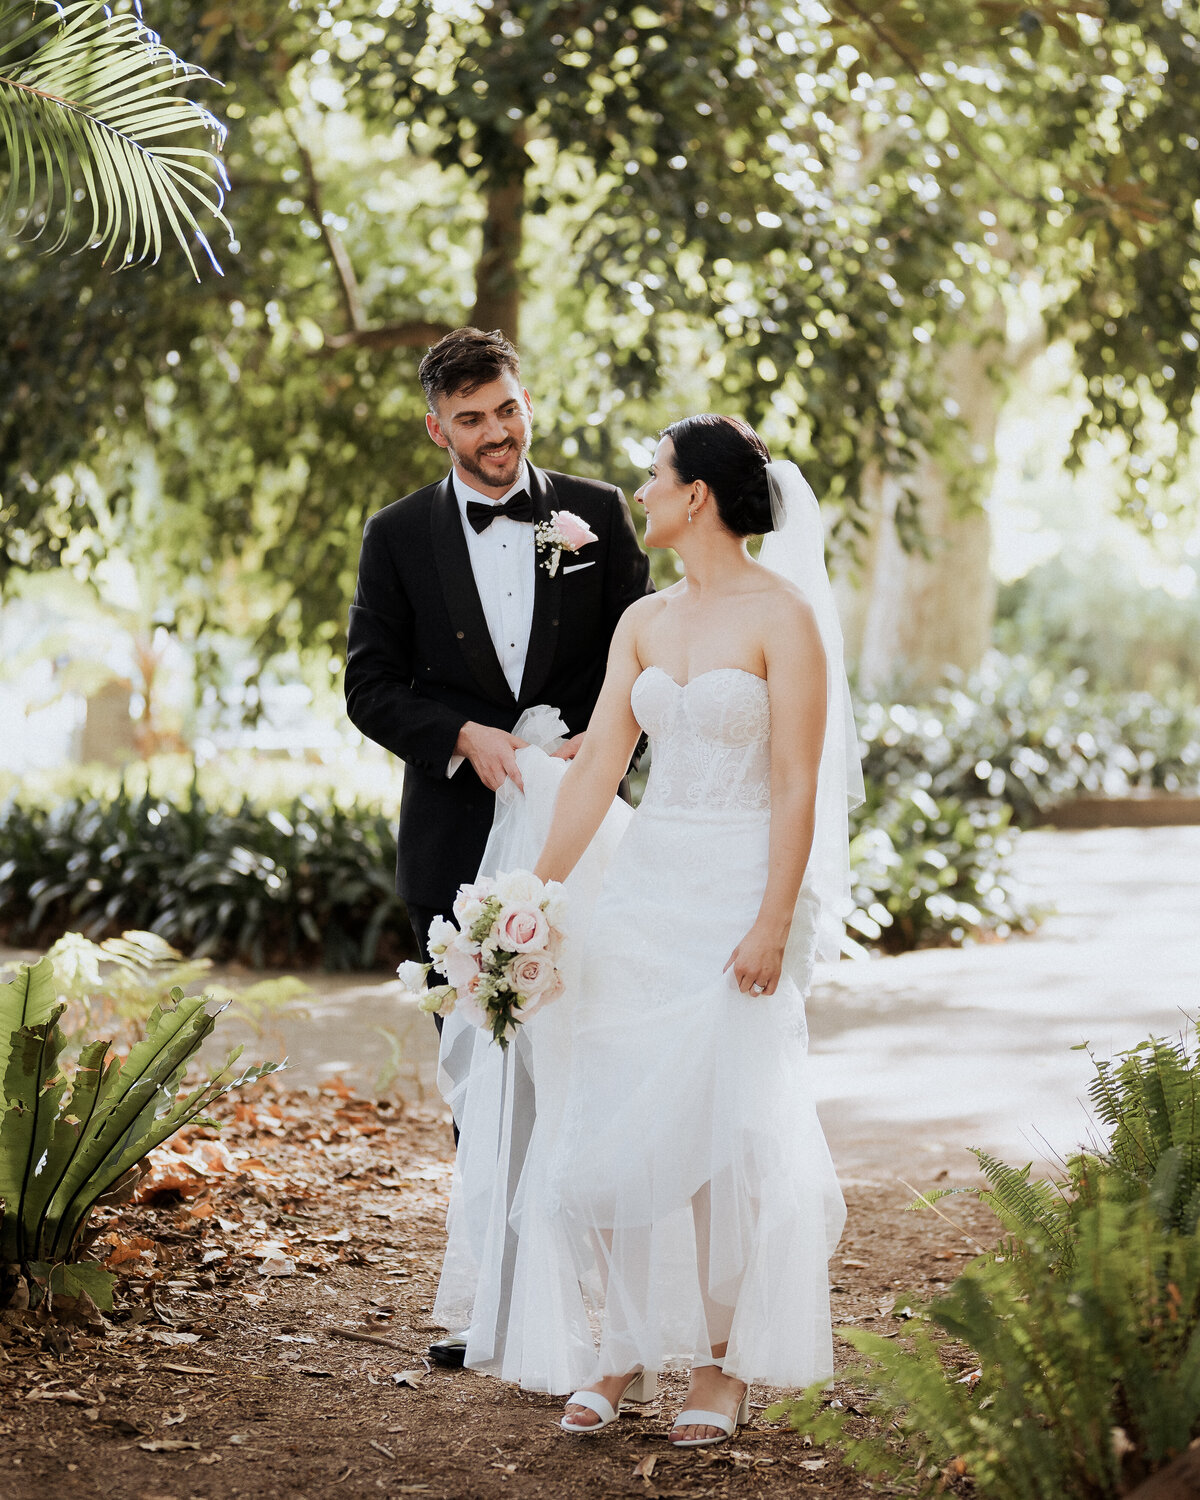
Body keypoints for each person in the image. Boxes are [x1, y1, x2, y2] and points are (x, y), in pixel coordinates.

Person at [431, 413, 861, 1445]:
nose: (644, 490)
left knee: (716, 1137)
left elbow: (798, 784)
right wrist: (525, 899)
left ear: (699, 496)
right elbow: (597, 775)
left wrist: (771, 921)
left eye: (657, 476)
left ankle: (718, 1367)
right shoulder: (643, 623)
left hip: (734, 896)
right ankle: (619, 1346)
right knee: (607, 1120)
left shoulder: (783, 617)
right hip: (646, 889)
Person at [344, 326, 652, 1364]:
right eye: (470, 420)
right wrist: (460, 737)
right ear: (437, 428)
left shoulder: (598, 516)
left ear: (527, 403)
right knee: (485, 1074)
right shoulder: (394, 537)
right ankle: (505, 1302)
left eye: (507, 411)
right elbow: (368, 685)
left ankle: (617, 1312)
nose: (495, 435)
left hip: (585, 834)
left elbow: (641, 669)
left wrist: (597, 761)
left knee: (600, 1055)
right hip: (458, 843)